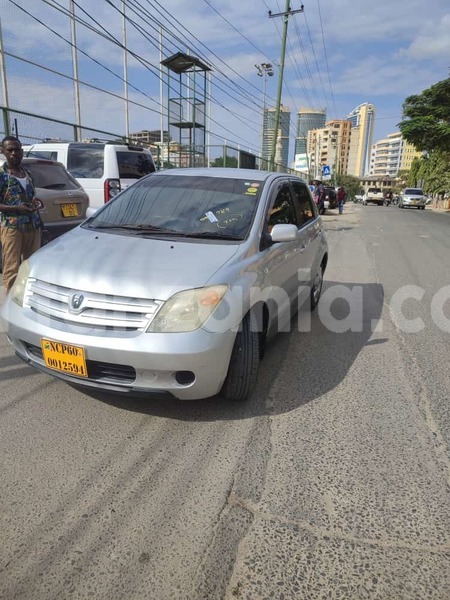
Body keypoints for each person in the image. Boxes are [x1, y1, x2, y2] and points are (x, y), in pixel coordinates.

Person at [0, 136, 42, 292]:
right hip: (12, 227)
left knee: (32, 264)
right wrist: (16, 209)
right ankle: (11, 300)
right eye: (9, 150)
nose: (14, 153)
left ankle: (28, 295)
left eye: (17, 149)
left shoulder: (27, 173)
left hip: (33, 225)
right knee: (12, 267)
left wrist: (36, 204)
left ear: (22, 151)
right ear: (2, 151)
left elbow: (32, 196)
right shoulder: (2, 175)